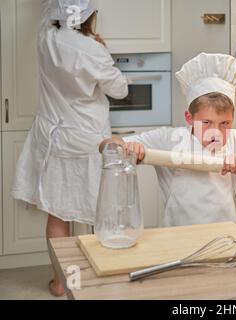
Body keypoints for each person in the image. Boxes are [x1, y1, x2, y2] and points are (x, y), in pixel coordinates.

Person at [11, 0, 129, 297]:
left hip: (52, 139)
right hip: (88, 140)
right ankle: (94, 277)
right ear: (90, 17)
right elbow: (120, 90)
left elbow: (48, 12)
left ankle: (61, 281)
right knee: (98, 213)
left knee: (58, 213)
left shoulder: (45, 38)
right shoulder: (92, 49)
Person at [100, 53, 236, 227]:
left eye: (224, 123)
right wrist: (126, 146)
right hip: (176, 237)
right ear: (189, 118)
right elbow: (106, 145)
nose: (215, 131)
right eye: (206, 122)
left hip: (225, 235)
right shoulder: (169, 139)